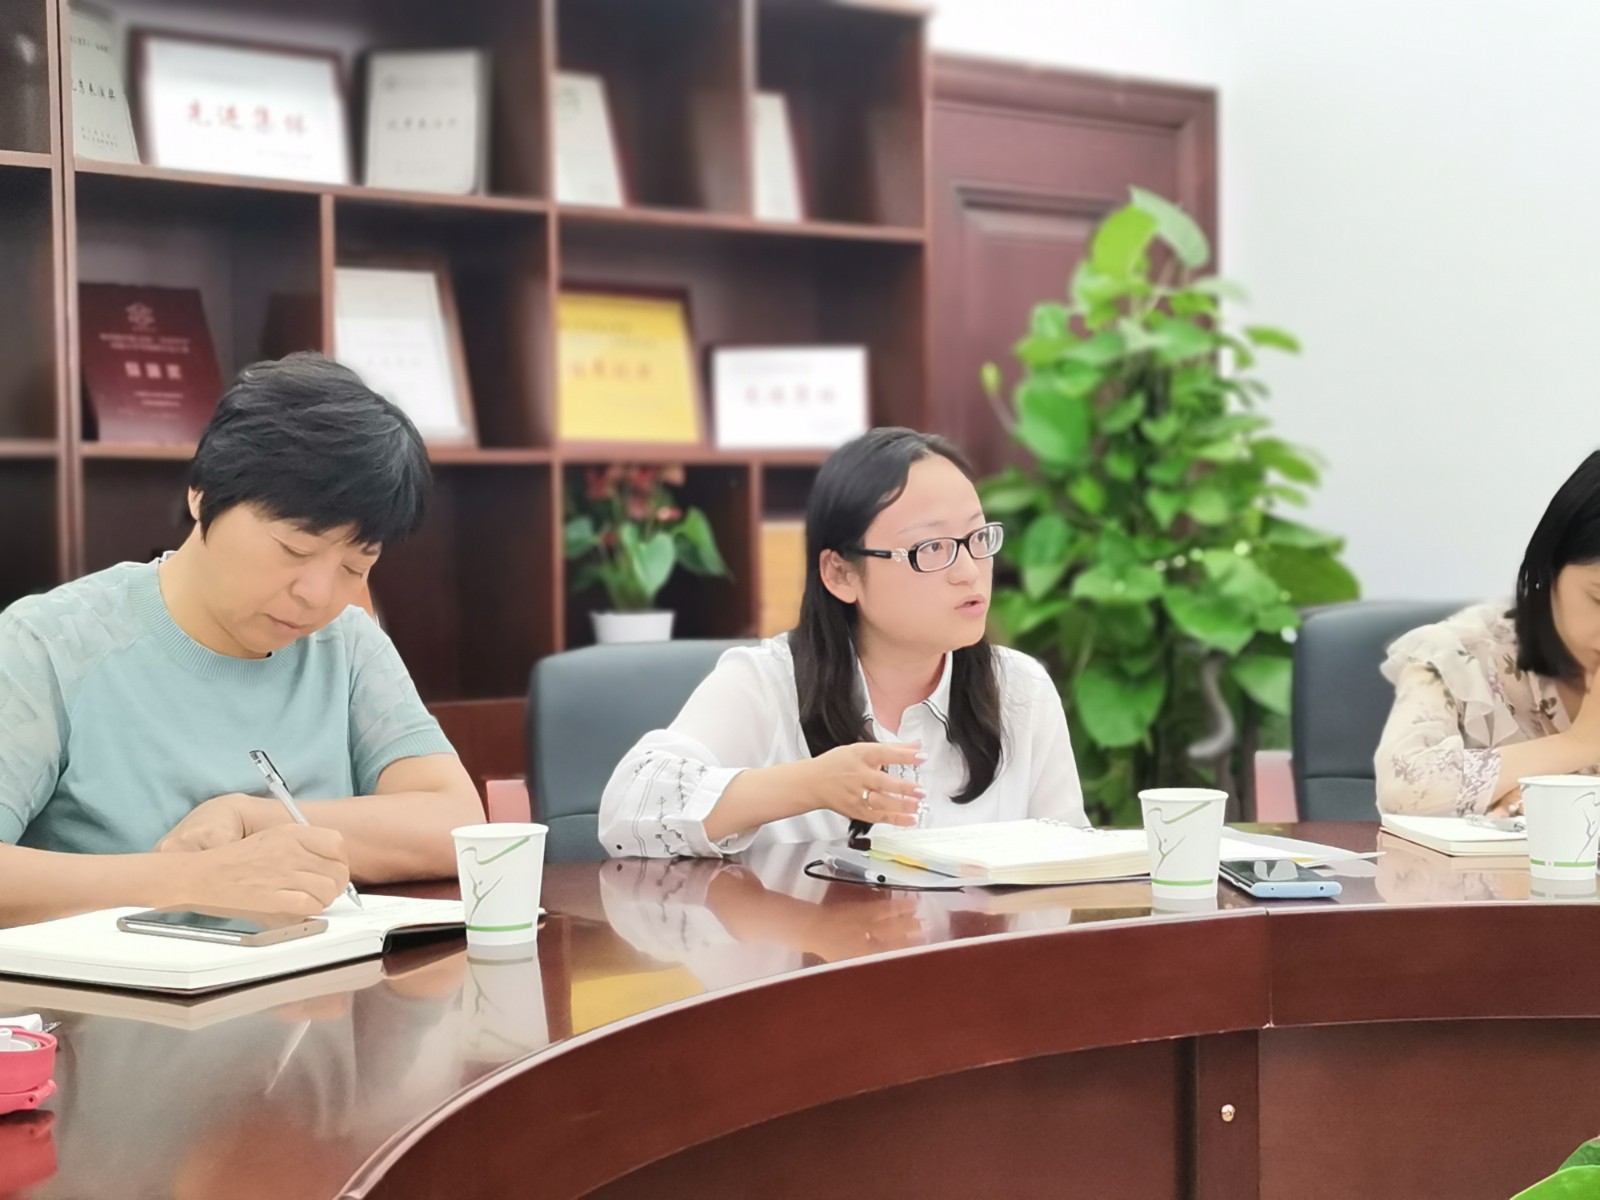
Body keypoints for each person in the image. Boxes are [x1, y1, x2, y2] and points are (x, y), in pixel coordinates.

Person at [0, 352, 482, 925]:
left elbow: (458, 824)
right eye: (294, 549)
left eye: (355, 566)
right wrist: (186, 880)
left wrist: (254, 820)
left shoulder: (348, 645)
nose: (317, 595)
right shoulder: (48, 644)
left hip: (322, 979)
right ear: (203, 494)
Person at [598, 427, 1084, 858]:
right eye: (932, 548)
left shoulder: (1020, 689)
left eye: (978, 538)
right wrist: (808, 785)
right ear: (841, 574)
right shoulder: (766, 683)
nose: (969, 571)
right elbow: (627, 812)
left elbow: (1073, 864)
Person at [1376, 450, 1600, 815]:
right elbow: (1403, 789)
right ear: (1551, 568)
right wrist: (1581, 743)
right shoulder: (1459, 654)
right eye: (1599, 599)